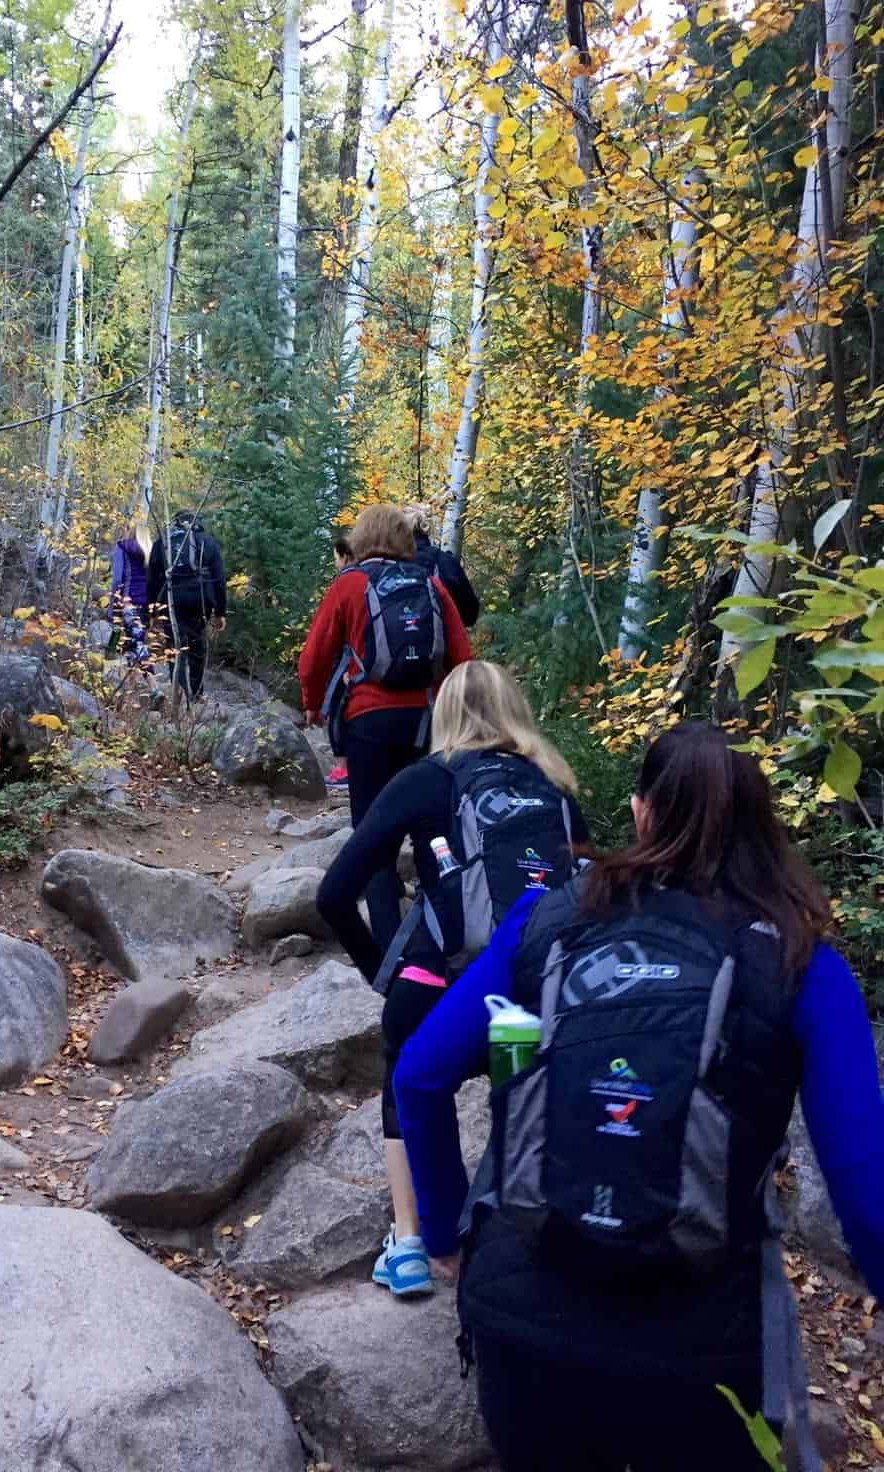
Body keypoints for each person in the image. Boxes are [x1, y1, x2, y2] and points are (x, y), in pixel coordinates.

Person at [394, 722, 884, 1472]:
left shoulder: (549, 919)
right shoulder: (799, 961)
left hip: (523, 1316)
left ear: (640, 812)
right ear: (762, 827)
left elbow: (420, 1075)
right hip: (701, 1352)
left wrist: (440, 1236)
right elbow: (868, 1198)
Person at [317, 662, 587, 1299]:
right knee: (513, 1092)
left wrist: (377, 972)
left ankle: (410, 1244)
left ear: (443, 713)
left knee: (404, 1079)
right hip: (527, 991)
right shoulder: (557, 787)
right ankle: (507, 1232)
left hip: (438, 985)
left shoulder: (427, 779)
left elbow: (335, 893)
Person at [299, 503, 471, 948]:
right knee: (432, 832)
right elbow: (463, 659)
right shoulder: (431, 583)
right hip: (425, 723)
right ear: (405, 539)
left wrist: (312, 705)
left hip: (368, 722)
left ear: (360, 538)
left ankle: (391, 950)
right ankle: (446, 941)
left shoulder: (349, 584)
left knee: (373, 834)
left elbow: (315, 657)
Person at [146, 510, 227, 702]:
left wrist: (152, 609)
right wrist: (220, 612)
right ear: (195, 523)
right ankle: (197, 694)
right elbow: (219, 579)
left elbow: (152, 579)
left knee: (175, 647)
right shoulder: (207, 541)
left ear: (175, 523)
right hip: (200, 599)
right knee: (197, 645)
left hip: (172, 597)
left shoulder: (163, 542)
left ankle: (179, 694)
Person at [404, 504, 479, 628]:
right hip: (441, 641)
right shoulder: (447, 562)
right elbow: (470, 614)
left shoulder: (388, 564)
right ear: (428, 529)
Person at [325, 534, 356, 791]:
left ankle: (342, 770)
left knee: (337, 711)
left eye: (336, 558)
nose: (335, 563)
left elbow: (326, 635)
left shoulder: (346, 583)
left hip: (348, 660)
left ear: (345, 556)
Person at [110, 522, 152, 665]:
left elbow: (117, 579)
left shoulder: (123, 547)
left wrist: (112, 606)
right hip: (147, 604)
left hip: (128, 601)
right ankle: (131, 684)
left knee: (136, 645)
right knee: (132, 643)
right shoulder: (151, 552)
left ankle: (154, 686)